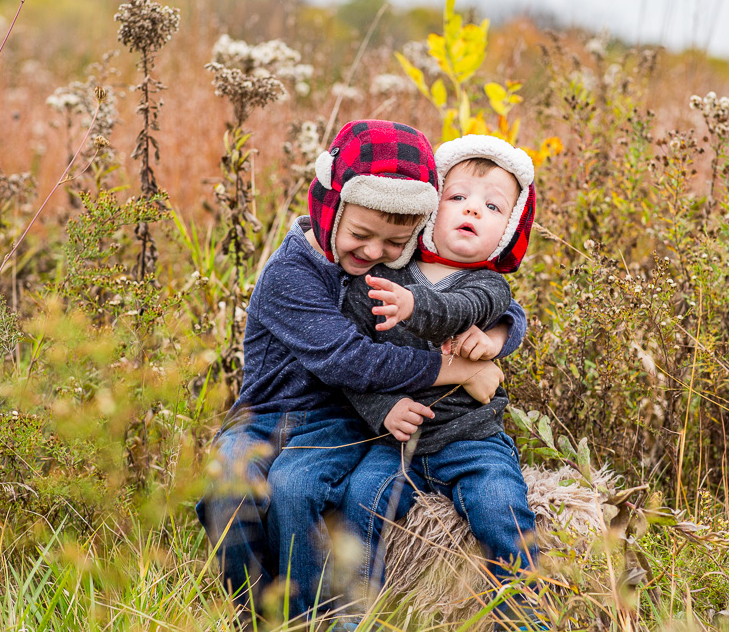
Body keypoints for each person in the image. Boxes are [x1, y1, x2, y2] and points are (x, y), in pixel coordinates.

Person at [196, 121, 525, 625]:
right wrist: (456, 368)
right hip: (267, 415)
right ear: (330, 211)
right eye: (360, 236)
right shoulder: (292, 274)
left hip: (341, 420)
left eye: (394, 242)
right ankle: (256, 611)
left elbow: (479, 289)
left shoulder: (396, 258)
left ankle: (315, 615)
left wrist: (501, 331)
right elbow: (353, 360)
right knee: (227, 488)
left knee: (294, 488)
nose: (373, 252)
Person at [339, 134, 545, 630]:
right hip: (398, 441)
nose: (472, 210)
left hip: (472, 437)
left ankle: (525, 615)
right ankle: (352, 616)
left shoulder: (487, 287)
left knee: (500, 505)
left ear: (507, 229)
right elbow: (355, 362)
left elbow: (459, 310)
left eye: (493, 206)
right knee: (361, 501)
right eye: (457, 197)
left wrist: (419, 308)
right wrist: (382, 409)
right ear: (431, 208)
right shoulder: (387, 272)